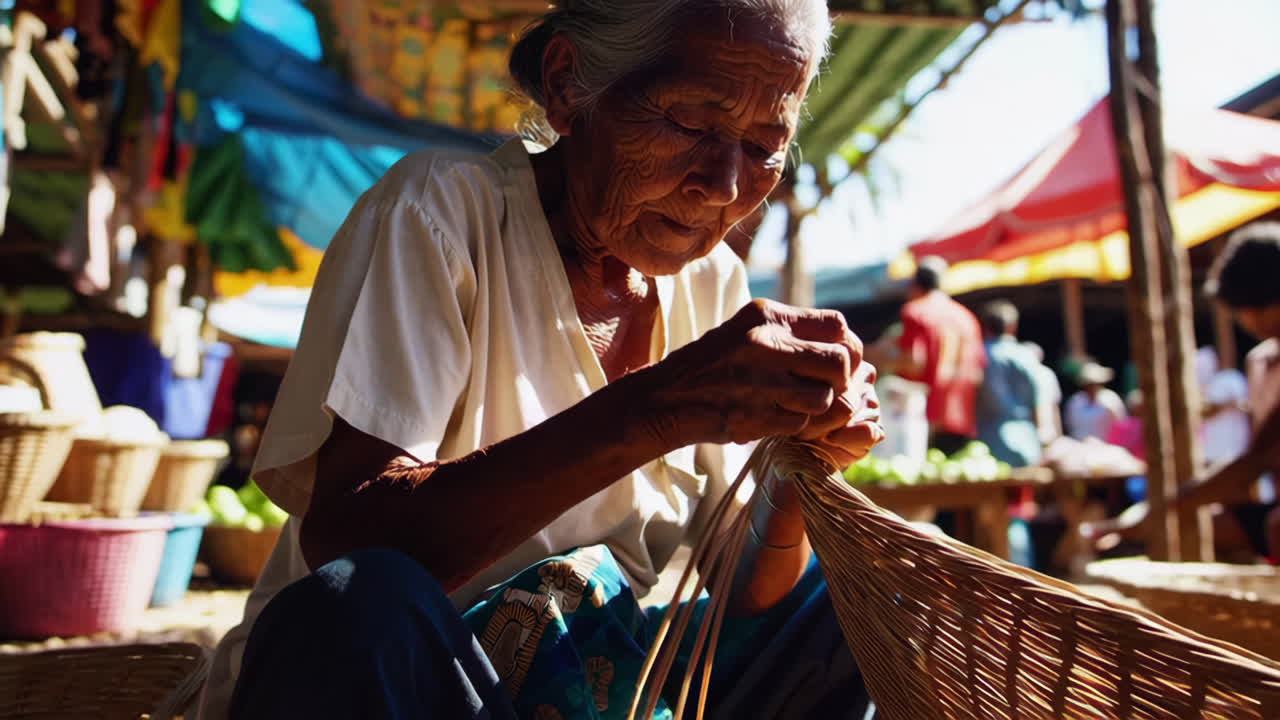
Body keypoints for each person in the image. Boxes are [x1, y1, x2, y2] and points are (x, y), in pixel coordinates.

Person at [197, 3, 887, 719]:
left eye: (765, 146)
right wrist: (657, 409)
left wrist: (795, 461)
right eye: (688, 124)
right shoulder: (442, 215)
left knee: (852, 614)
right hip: (412, 690)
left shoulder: (714, 289)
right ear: (567, 86)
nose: (723, 184)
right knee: (358, 603)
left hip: (592, 690)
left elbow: (752, 594)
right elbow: (349, 540)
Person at [1183, 222, 1280, 560]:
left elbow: (1262, 455)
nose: (1245, 319)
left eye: (1248, 309)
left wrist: (1181, 499)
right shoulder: (1260, 361)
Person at [889, 256, 986, 455]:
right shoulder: (966, 317)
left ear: (915, 285)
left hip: (924, 420)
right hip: (962, 418)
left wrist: (883, 364)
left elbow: (915, 362)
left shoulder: (916, 311)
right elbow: (978, 375)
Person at [975, 301, 1041, 467]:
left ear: (985, 328)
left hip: (990, 438)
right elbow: (1039, 399)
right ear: (1013, 326)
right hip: (1027, 438)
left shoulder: (981, 355)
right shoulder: (1026, 356)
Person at [1195, 347, 1252, 466]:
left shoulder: (1230, 379)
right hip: (1212, 453)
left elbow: (1247, 405)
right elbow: (1204, 412)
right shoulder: (1196, 391)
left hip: (1237, 448)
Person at [1064, 362, 1126, 441]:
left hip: (1106, 447)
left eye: (1095, 383)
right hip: (1080, 446)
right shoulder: (1075, 401)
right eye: (1089, 383)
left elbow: (1121, 423)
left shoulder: (1111, 398)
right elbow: (1069, 425)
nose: (1092, 386)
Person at [1023, 341, 1063, 446]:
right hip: (1030, 433)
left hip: (1044, 431)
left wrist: (1059, 436)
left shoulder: (1046, 374)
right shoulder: (1022, 375)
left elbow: (1054, 405)